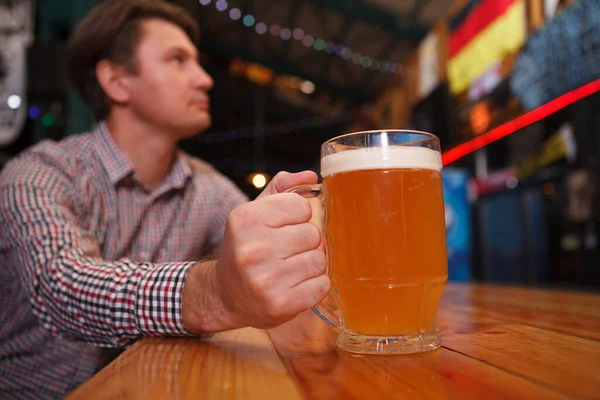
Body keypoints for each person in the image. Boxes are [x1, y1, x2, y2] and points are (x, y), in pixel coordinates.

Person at [0, 0, 329, 398]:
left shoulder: (205, 187)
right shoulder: (39, 173)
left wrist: (275, 244)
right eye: (178, 60)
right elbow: (62, 287)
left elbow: (256, 257)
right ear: (116, 81)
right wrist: (216, 292)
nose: (205, 79)